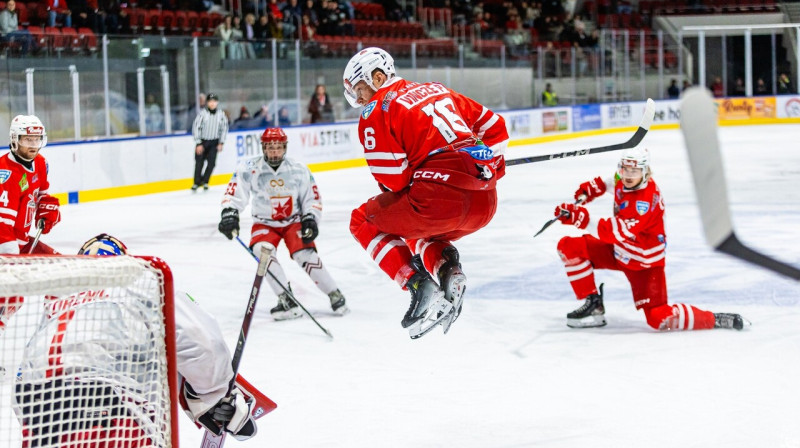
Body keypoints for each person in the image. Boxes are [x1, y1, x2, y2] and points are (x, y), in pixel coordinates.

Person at [12, 235, 259, 447]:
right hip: (111, 410)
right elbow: (200, 342)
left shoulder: (57, 305)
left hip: (36, 411)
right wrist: (214, 396)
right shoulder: (142, 282)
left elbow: (25, 377)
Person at [342, 47, 508, 337]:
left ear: (377, 77)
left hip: (438, 200)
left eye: (360, 89)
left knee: (362, 220)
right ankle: (448, 271)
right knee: (416, 229)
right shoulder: (437, 89)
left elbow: (394, 181)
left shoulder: (377, 109)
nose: (360, 99)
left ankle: (418, 284)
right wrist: (489, 168)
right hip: (486, 203)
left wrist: (424, 173)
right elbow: (496, 127)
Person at [552, 147, 747, 331]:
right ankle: (594, 305)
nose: (628, 175)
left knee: (657, 318)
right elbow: (612, 182)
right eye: (625, 169)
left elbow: (612, 233)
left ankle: (714, 319)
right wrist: (593, 188)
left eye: (634, 171)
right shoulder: (624, 178)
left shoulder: (643, 202)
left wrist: (580, 218)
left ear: (645, 172)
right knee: (568, 247)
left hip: (644, 264)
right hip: (619, 251)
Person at [218, 127, 349, 320]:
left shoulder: (298, 169)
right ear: (263, 148)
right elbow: (234, 194)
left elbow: (312, 198)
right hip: (264, 223)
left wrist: (310, 218)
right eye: (270, 147)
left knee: (305, 254)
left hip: (293, 222)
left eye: (278, 147)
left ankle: (334, 293)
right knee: (263, 253)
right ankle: (286, 299)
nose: (274, 152)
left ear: (285, 148)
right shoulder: (249, 168)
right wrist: (230, 213)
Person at [0, 115, 61, 256]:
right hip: (7, 246)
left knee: (61, 263)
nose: (33, 145)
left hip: (23, 242)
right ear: (15, 139)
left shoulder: (40, 163)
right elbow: (2, 224)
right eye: (28, 139)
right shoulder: (6, 173)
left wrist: (46, 208)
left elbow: (40, 195)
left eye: (37, 139)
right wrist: (11, 255)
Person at [191, 92, 229, 192]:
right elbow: (196, 127)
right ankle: (196, 182)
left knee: (211, 163)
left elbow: (224, 128)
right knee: (199, 162)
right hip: (203, 141)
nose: (212, 103)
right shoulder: (202, 114)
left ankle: (205, 181)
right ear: (207, 103)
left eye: (214, 101)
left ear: (217, 102)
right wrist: (198, 143)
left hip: (214, 142)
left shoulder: (221, 114)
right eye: (210, 101)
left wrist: (221, 142)